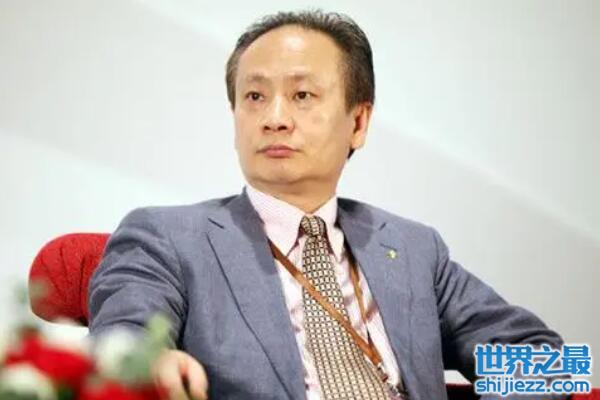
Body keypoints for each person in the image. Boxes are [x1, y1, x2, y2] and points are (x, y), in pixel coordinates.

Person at [88, 10, 566, 400]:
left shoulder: (413, 250)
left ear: (358, 123)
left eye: (302, 95)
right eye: (254, 96)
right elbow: (121, 340)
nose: (274, 118)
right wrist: (150, 363)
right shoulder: (168, 237)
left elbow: (542, 359)